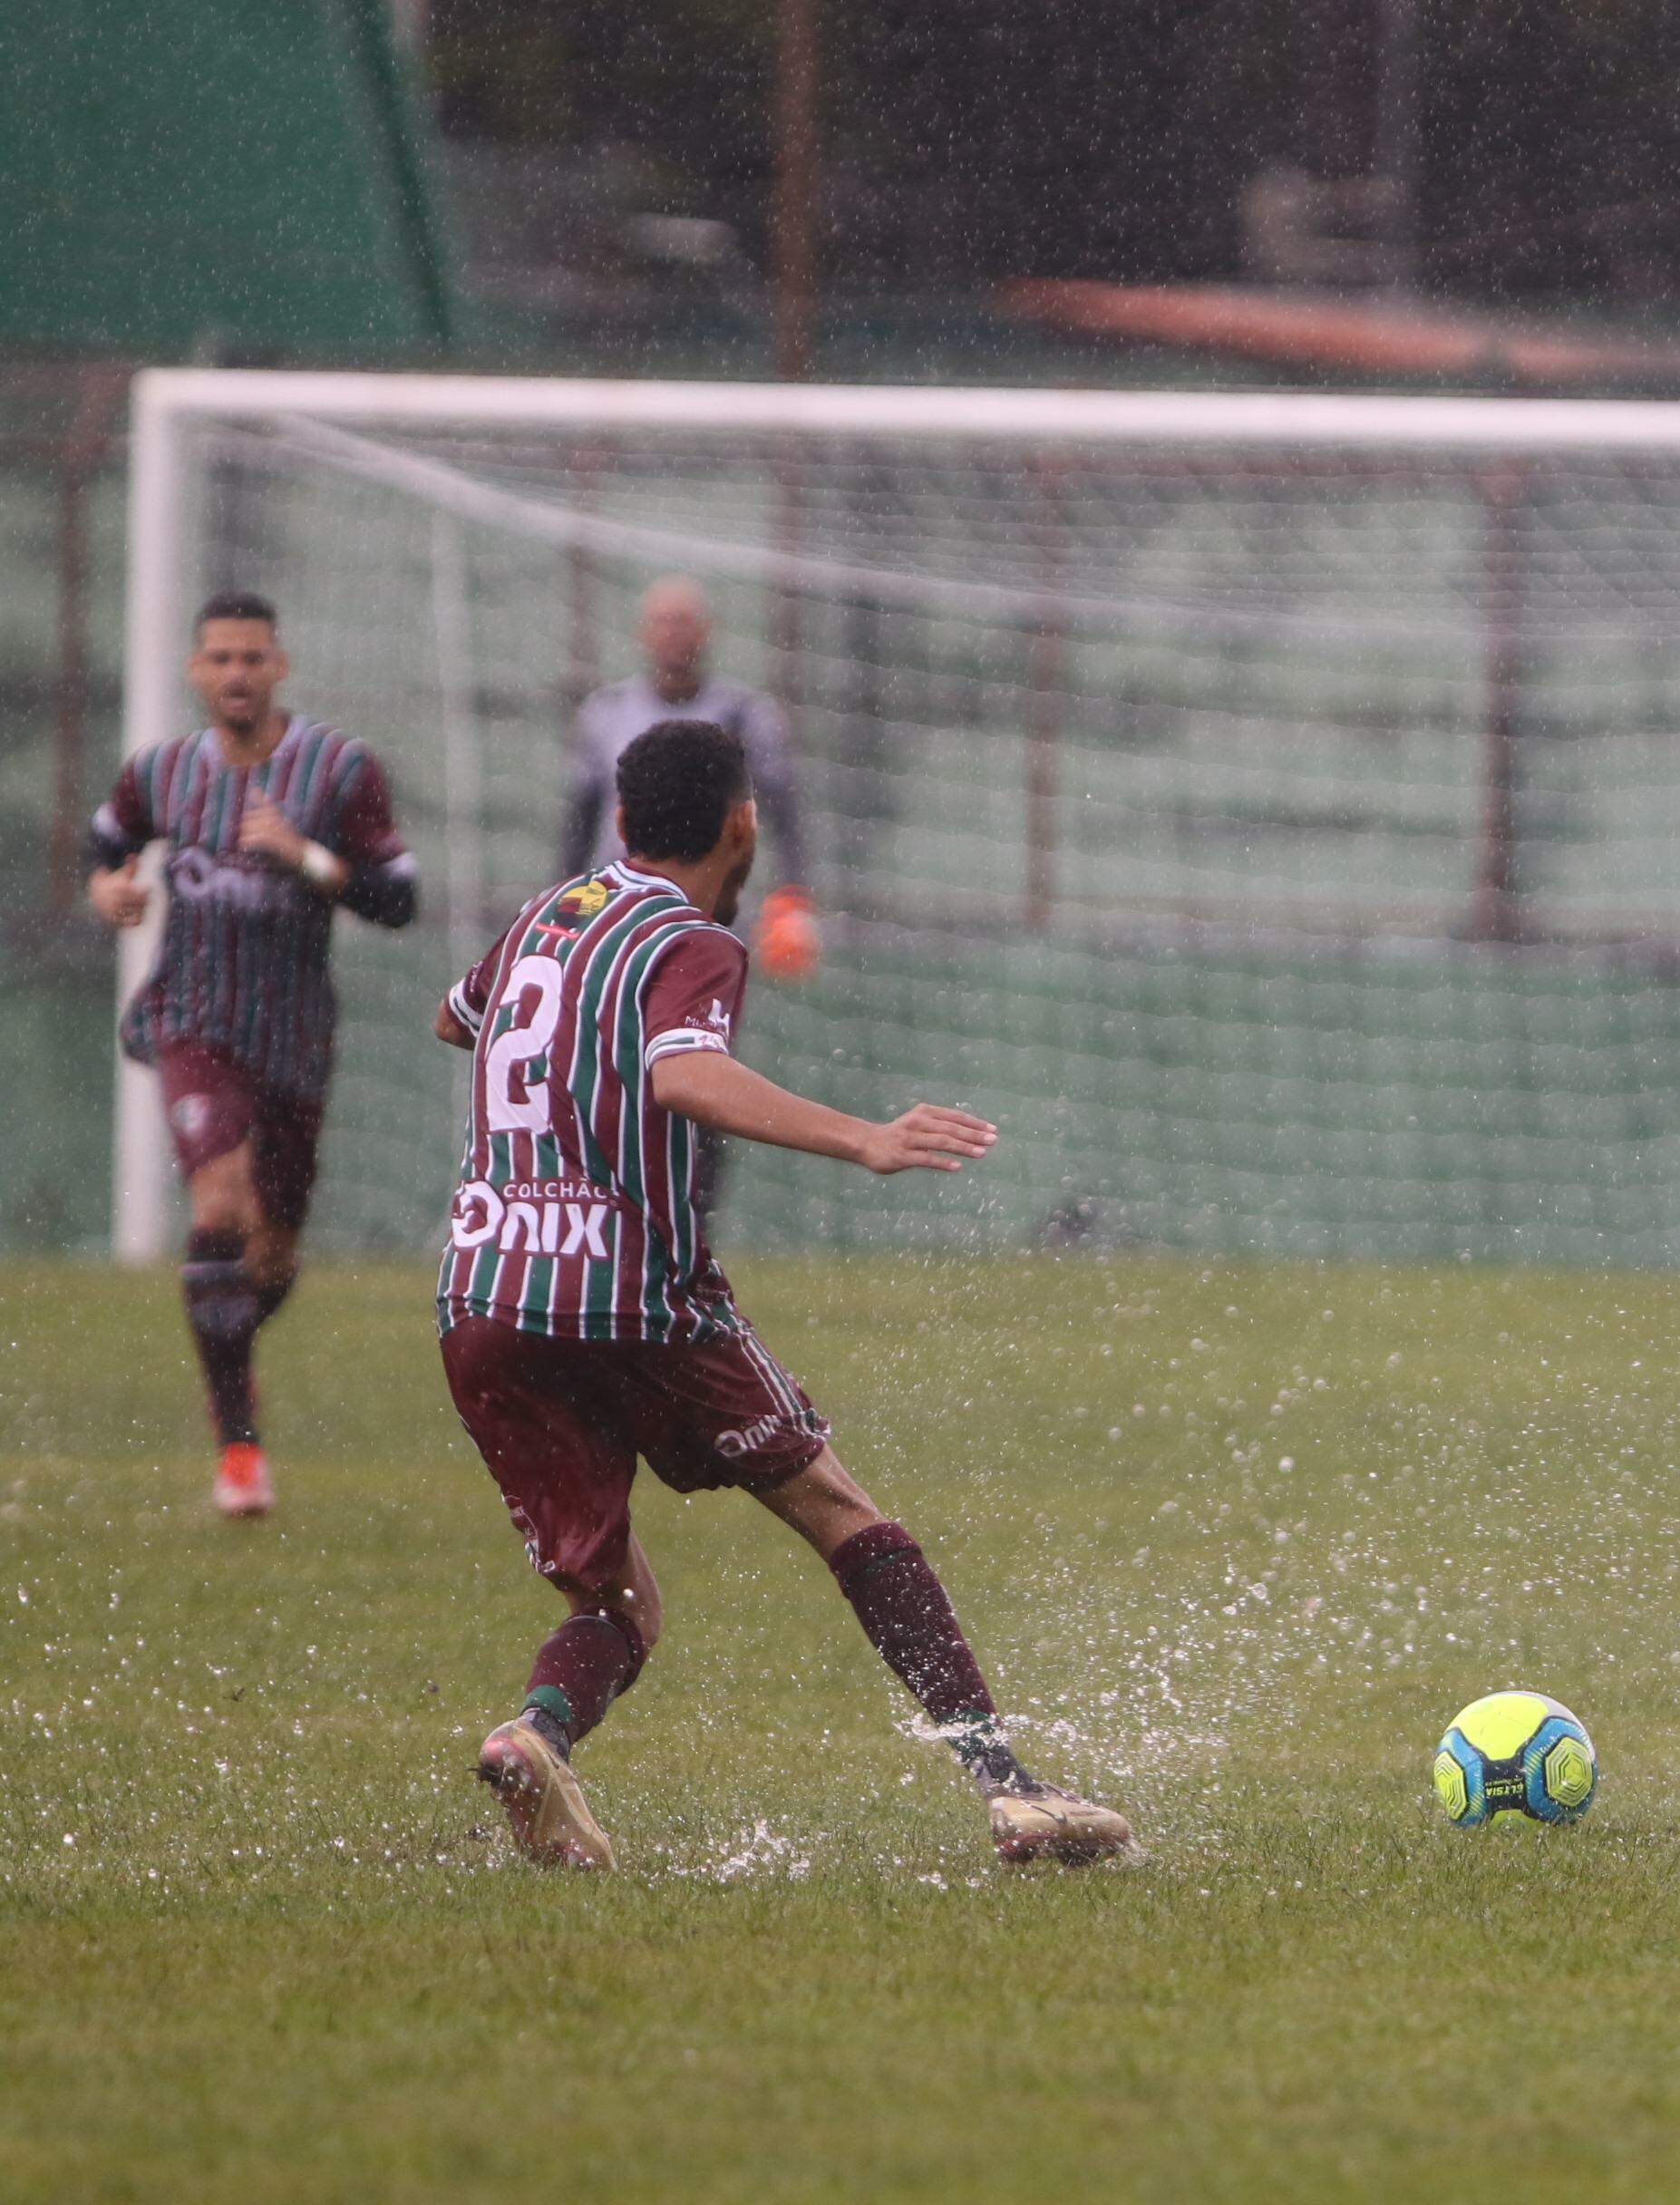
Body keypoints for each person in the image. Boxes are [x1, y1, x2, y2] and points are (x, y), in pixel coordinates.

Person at [435, 719, 1125, 1871]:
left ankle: (533, 1733)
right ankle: (1011, 1789)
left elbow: (454, 1017)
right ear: (743, 825)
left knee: (619, 1607)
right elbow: (683, 1071)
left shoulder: (543, 918)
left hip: (485, 1300)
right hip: (633, 1295)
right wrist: (864, 1138)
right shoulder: (693, 939)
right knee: (835, 1506)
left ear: (618, 821)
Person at [84, 590, 419, 1516]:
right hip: (194, 1023)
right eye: (219, 658)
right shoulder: (160, 772)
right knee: (219, 1204)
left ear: (279, 666)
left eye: (251, 658)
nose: (235, 673)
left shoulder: (338, 769)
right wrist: (108, 889)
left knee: (270, 1257)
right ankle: (240, 1445)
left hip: (295, 1037)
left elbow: (399, 896)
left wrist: (307, 857)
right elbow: (108, 844)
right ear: (197, 670)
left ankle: (228, 1352)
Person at [562, 575, 819, 981]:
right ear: (643, 633)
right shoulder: (605, 712)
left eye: (683, 621)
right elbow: (579, 819)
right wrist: (570, 904)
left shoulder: (746, 715)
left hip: (708, 911)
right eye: (662, 621)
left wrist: (792, 899)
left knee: (697, 1031)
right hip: (618, 908)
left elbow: (785, 813)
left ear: (706, 630)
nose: (672, 634)